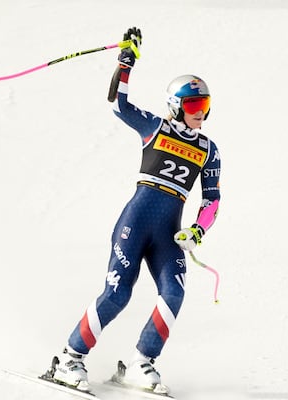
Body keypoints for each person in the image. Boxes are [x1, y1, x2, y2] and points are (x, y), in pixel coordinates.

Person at [42, 27, 221, 395]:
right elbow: (118, 105)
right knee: (118, 293)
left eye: (203, 106)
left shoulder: (208, 148)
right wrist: (126, 62)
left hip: (169, 232)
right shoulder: (155, 127)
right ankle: (70, 357)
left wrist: (198, 230)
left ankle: (142, 363)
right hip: (136, 222)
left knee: (174, 293)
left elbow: (212, 199)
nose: (199, 114)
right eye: (192, 107)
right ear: (175, 106)